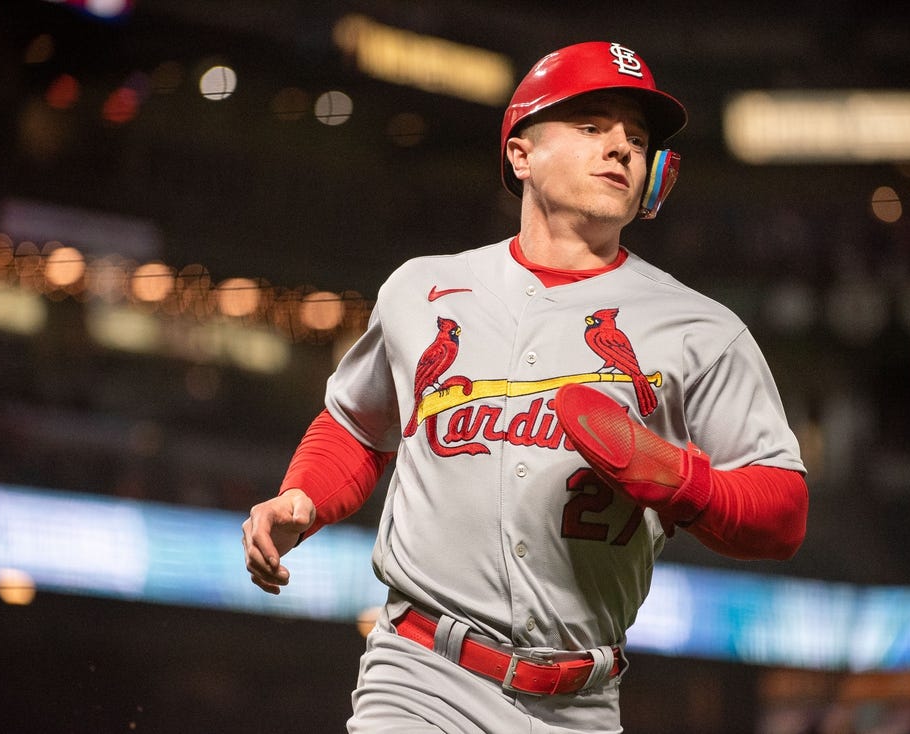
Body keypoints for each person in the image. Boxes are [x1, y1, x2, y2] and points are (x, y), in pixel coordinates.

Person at [242, 41, 808, 733]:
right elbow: (357, 425)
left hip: (581, 701)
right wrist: (304, 496)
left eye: (636, 138)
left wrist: (682, 482)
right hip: (423, 675)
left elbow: (784, 511)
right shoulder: (423, 288)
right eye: (592, 126)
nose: (622, 149)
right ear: (520, 153)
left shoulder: (701, 328)